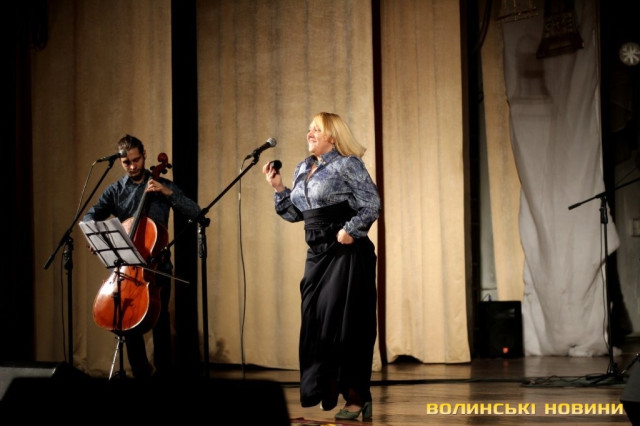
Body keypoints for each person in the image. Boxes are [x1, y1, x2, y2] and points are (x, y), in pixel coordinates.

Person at [262, 112, 381, 421]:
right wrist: (278, 188)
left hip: (346, 253)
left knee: (346, 326)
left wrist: (351, 230)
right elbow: (296, 214)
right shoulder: (303, 167)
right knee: (315, 323)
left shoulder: (348, 164)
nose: (310, 133)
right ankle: (326, 388)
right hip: (317, 254)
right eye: (309, 128)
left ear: (333, 136)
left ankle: (356, 397)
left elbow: (372, 203)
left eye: (317, 129)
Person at [83, 134, 201, 379]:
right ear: (120, 161)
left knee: (160, 322)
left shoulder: (162, 183)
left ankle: (164, 375)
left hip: (157, 268)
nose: (132, 166)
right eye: (126, 162)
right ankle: (140, 374)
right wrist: (95, 237)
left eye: (136, 160)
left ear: (144, 155)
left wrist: (167, 192)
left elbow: (195, 212)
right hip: (126, 270)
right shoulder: (116, 190)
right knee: (127, 323)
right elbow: (90, 216)